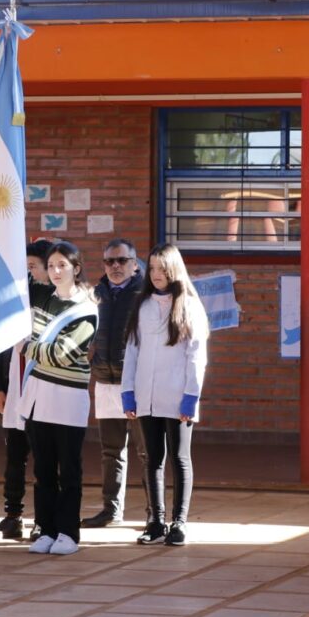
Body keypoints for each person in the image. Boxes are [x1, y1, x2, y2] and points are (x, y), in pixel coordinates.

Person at [121, 243, 209, 547]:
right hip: (146, 396)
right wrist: (128, 391)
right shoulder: (142, 305)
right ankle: (155, 521)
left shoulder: (189, 306)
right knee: (152, 459)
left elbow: (196, 355)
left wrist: (191, 395)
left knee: (179, 458)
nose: (156, 274)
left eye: (162, 268)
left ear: (174, 270)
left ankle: (179, 522)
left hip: (177, 396)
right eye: (153, 268)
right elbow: (132, 350)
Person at [15, 241, 98, 556]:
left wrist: (28, 347)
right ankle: (46, 529)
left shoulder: (86, 310)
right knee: (43, 471)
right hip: (39, 398)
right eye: (51, 266)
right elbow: (13, 282)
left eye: (62, 265)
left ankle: (68, 532)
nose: (56, 271)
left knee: (69, 470)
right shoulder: (42, 297)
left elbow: (62, 354)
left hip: (67, 401)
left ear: (76, 268)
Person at [0, 238, 54, 541]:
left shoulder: (58, 300)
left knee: (45, 460)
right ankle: (13, 516)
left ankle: (45, 519)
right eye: (25, 267)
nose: (29, 273)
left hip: (44, 390)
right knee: (14, 456)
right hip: (15, 387)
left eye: (33, 266)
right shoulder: (16, 299)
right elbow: (0, 343)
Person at [81, 237, 151, 529]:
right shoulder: (96, 294)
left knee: (147, 452)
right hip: (105, 380)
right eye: (110, 261)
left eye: (122, 260)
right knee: (111, 451)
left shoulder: (145, 294)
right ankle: (111, 511)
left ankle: (155, 513)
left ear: (134, 265)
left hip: (137, 383)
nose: (116, 266)